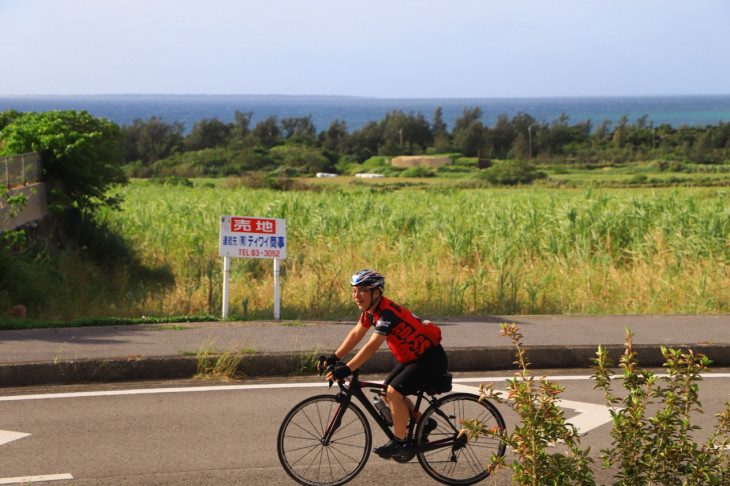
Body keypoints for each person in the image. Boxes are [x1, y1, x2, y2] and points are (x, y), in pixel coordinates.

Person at [318, 269, 448, 460]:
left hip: (430, 359)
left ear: (376, 292)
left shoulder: (386, 313)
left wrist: (347, 368)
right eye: (354, 290)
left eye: (362, 290)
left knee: (394, 393)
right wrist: (334, 356)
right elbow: (356, 333)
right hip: (412, 358)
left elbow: (372, 346)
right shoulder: (371, 311)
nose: (356, 295)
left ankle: (400, 441)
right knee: (385, 391)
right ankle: (423, 423)